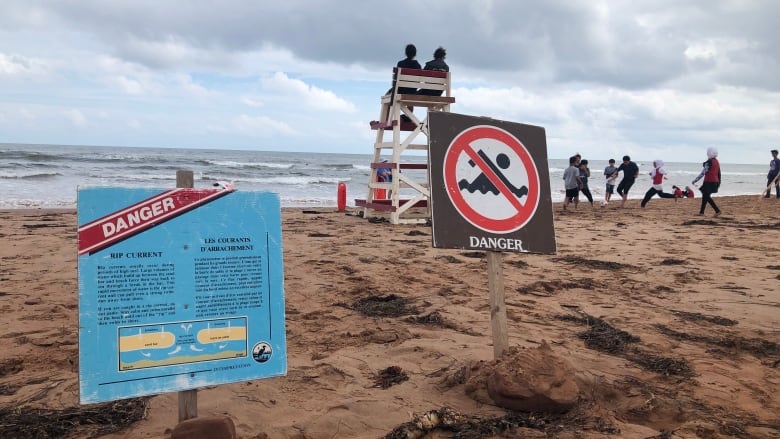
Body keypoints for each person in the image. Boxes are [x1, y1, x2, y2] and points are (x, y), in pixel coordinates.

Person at [692, 147, 721, 217]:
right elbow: (719, 173)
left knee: (706, 196)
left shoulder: (709, 162)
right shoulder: (716, 161)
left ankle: (717, 210)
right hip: (715, 182)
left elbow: (703, 173)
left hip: (709, 182)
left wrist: (695, 180)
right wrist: (719, 183)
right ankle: (702, 212)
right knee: (705, 196)